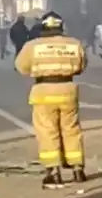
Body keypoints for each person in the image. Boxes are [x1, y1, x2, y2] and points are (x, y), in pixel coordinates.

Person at [14, 11, 88, 188]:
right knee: (71, 129)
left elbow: (21, 67)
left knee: (48, 131)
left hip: (43, 91)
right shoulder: (74, 44)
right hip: (68, 90)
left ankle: (54, 171)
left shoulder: (32, 46)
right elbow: (81, 66)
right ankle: (78, 169)